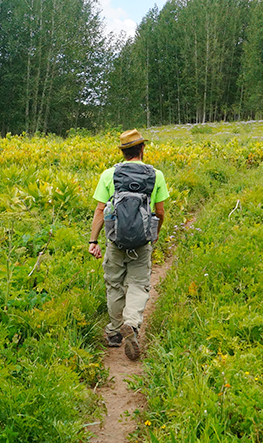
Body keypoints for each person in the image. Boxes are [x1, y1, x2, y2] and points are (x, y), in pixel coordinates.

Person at [88, 129, 169, 360]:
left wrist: (93, 240)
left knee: (114, 284)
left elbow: (101, 210)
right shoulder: (156, 175)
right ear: (142, 149)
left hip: (115, 240)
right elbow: (160, 212)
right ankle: (132, 323)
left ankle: (114, 333)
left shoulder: (108, 175)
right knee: (139, 284)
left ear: (123, 152)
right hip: (142, 241)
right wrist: (153, 235)